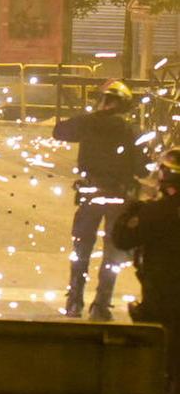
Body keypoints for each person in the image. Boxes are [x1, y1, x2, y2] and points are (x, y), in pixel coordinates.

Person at [54, 79, 143, 321]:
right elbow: (143, 169)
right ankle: (101, 306)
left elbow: (59, 131)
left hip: (90, 193)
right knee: (112, 254)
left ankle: (74, 301)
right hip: (118, 196)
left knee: (81, 249)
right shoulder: (131, 130)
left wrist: (88, 116)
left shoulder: (87, 123)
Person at [112, 148, 180, 394]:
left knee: (160, 365)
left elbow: (123, 239)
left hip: (160, 299)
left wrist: (130, 210)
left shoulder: (154, 212)